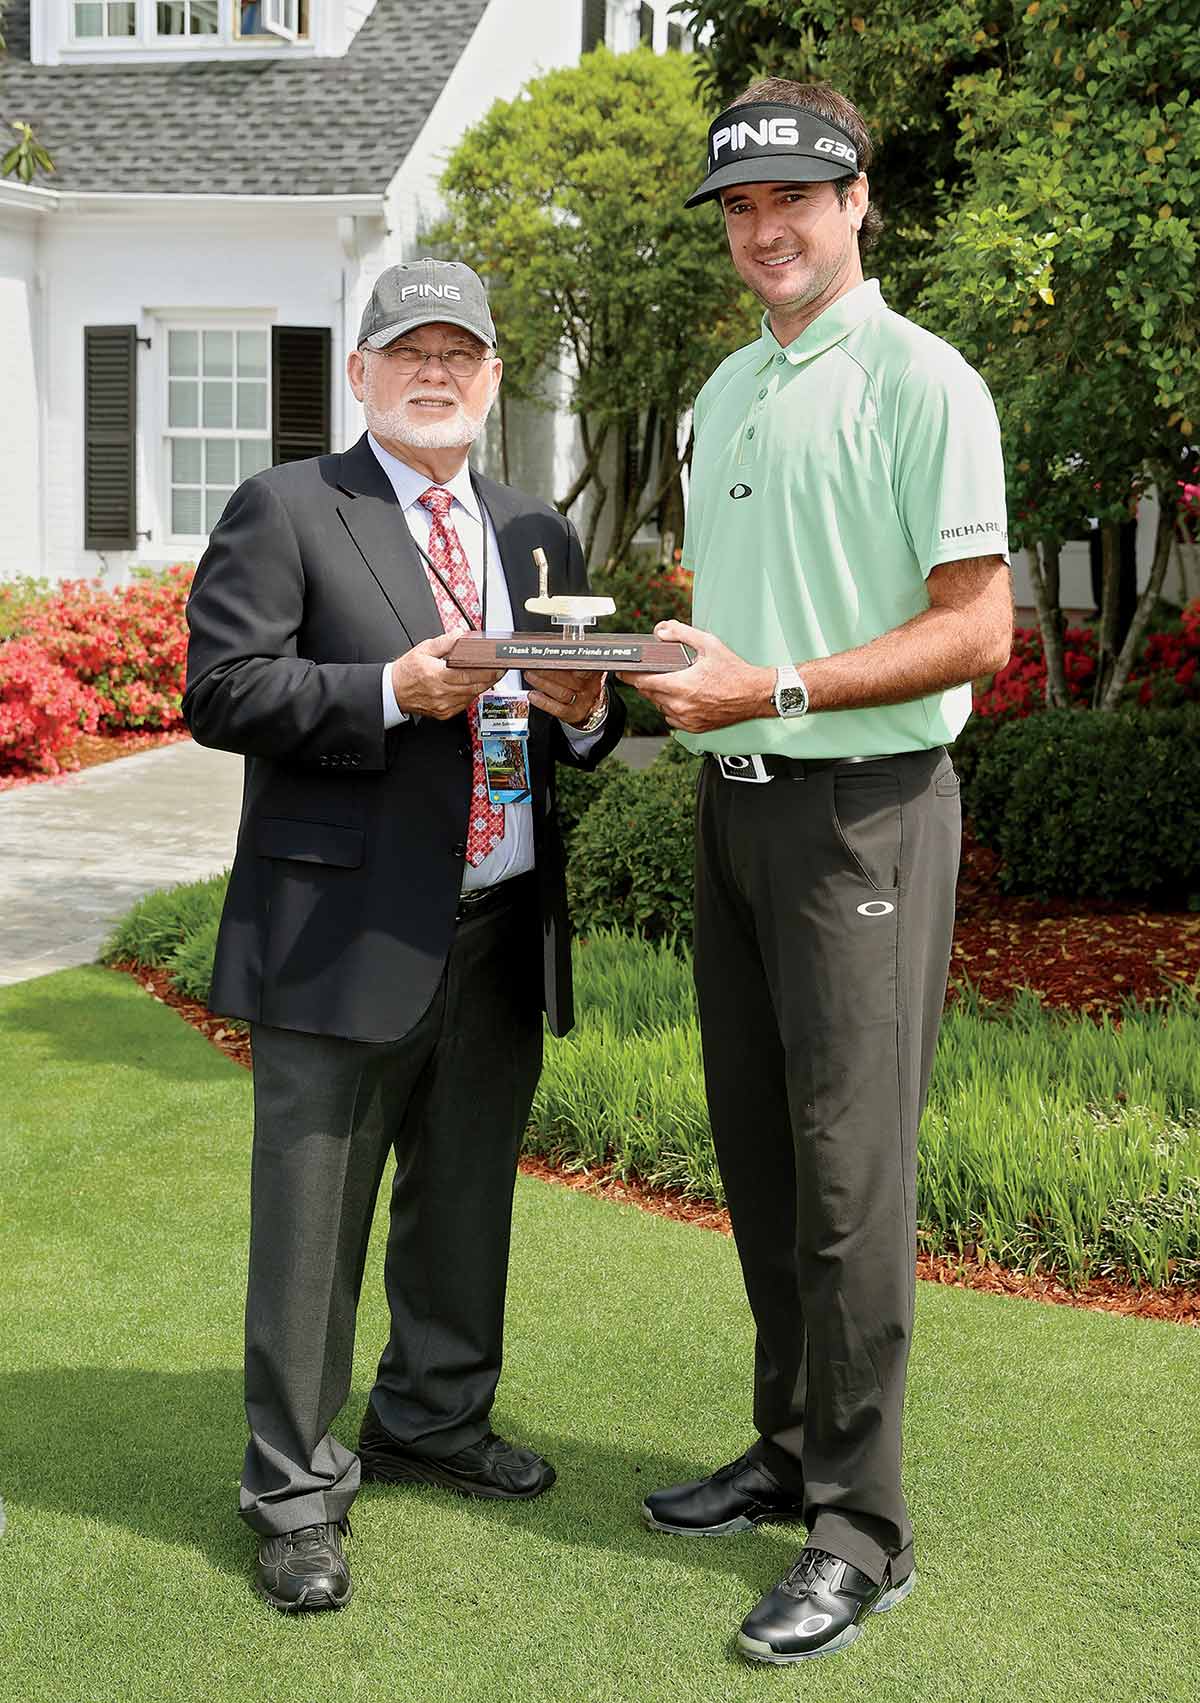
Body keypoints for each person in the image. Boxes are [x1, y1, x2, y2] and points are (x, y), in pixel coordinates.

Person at [623, 81, 1012, 1665]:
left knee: (850, 1183)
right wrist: (657, 666)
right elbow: (743, 611)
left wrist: (771, 689)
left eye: (794, 196)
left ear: (860, 202)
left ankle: (863, 1531)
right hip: (734, 810)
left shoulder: (925, 381)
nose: (765, 229)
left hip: (866, 814)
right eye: (739, 206)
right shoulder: (724, 389)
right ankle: (790, 1451)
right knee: (766, 1160)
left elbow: (978, 630)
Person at [183, 258, 624, 1612]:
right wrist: (388, 689)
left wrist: (590, 714)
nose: (436, 373)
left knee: (467, 1196)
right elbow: (224, 690)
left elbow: (581, 717)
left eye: (461, 354)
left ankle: (433, 1416)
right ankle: (294, 1491)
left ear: (491, 379)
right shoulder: (288, 509)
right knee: (312, 1224)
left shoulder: (535, 531)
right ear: (362, 371)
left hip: (499, 917)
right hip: (340, 925)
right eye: (409, 351)